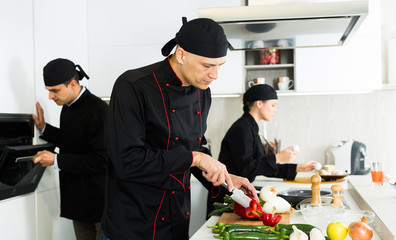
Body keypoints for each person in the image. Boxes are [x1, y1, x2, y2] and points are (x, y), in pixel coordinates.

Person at [101, 18, 258, 240]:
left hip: (176, 220)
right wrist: (194, 158)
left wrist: (226, 179)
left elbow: (195, 148)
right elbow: (128, 161)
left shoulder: (202, 91)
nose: (215, 75)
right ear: (182, 54)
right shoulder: (133, 87)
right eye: (207, 66)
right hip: (133, 225)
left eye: (219, 66)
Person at [206, 84, 316, 216]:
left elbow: (261, 165)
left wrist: (297, 167)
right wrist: (278, 157)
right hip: (226, 196)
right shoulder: (242, 129)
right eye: (273, 105)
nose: (275, 110)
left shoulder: (250, 127)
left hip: (237, 194)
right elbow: (247, 168)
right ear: (259, 103)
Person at [32, 58, 108, 240]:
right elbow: (72, 140)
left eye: (54, 90)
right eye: (48, 91)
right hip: (78, 202)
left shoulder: (98, 110)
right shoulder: (68, 106)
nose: (50, 97)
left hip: (100, 204)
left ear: (73, 84)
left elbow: (102, 160)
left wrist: (56, 160)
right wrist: (44, 128)